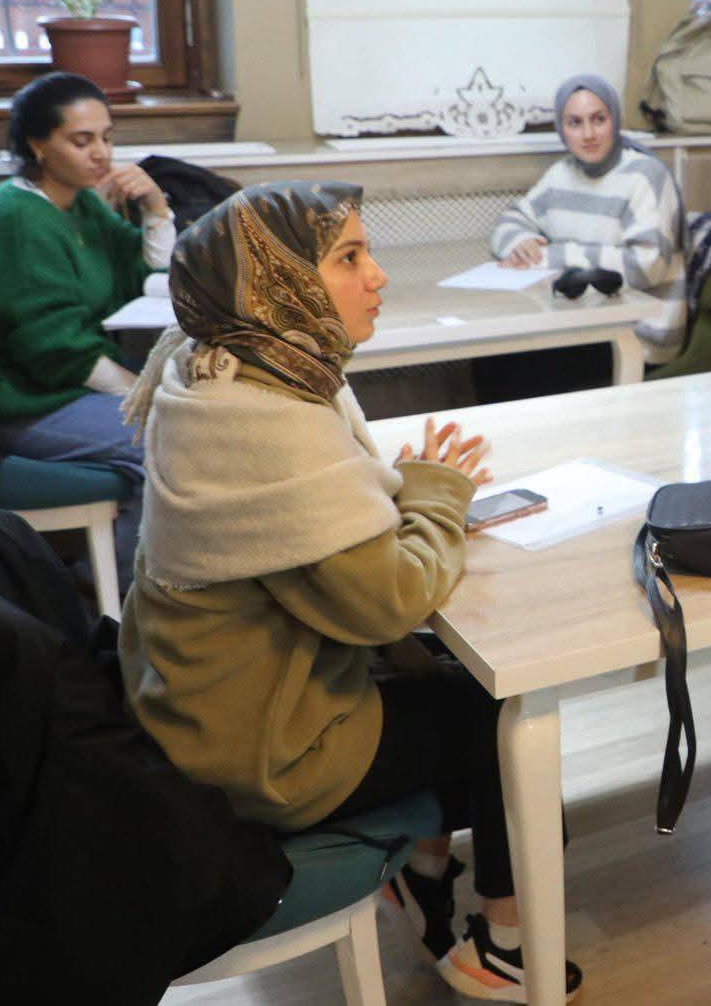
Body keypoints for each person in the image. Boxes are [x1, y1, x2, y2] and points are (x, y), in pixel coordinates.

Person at [117, 182, 581, 1002]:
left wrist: (412, 497)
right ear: (278, 280)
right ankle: (502, 946)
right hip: (262, 749)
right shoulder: (260, 424)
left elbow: (335, 538)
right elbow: (392, 597)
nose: (379, 277)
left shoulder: (222, 366)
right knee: (496, 719)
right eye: (349, 257)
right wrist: (436, 491)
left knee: (448, 679)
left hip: (202, 703)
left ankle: (426, 878)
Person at [0, 71, 174, 589]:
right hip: (19, 401)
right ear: (37, 145)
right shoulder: (17, 220)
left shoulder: (80, 202)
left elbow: (149, 280)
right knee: (169, 435)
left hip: (62, 385)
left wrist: (156, 208)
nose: (102, 154)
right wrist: (144, 393)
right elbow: (56, 351)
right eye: (82, 140)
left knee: (190, 417)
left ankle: (130, 579)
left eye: (107, 137)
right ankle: (122, 589)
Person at [483, 74, 686, 393]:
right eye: (575, 123)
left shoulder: (646, 176)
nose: (588, 134)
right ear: (561, 129)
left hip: (640, 333)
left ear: (615, 119)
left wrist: (552, 256)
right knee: (489, 363)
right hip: (585, 323)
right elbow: (509, 221)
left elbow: (646, 266)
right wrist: (520, 241)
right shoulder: (561, 175)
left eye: (599, 119)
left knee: (513, 372)